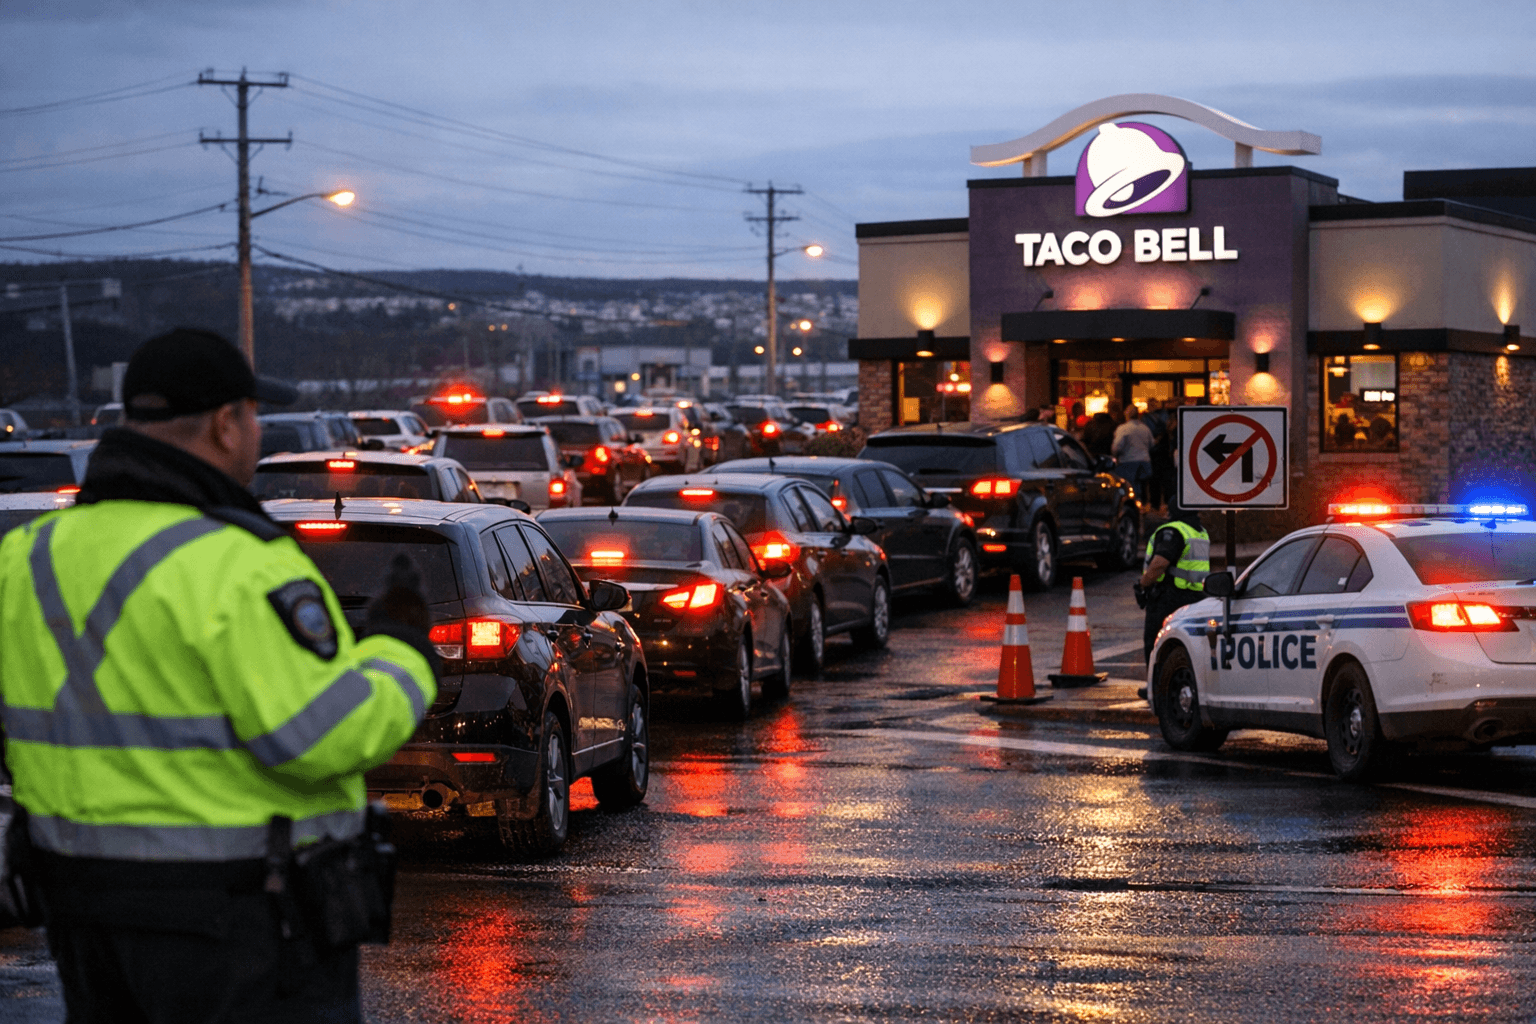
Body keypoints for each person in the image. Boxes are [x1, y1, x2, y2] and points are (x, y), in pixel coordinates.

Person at [0, 329, 437, 1023]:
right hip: (237, 926)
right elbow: (318, 736)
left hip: (80, 913)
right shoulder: (238, 564)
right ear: (227, 422)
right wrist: (401, 651)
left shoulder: (26, 557)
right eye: (254, 416)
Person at [1136, 497, 1210, 662]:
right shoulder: (1199, 532)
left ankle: (1155, 686)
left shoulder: (1173, 531)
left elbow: (1159, 564)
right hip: (1196, 599)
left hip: (1169, 598)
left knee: (1156, 644)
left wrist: (1142, 584)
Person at [1112, 405, 1154, 504]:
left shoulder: (1123, 429)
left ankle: (1132, 505)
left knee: (1129, 487)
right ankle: (1143, 505)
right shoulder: (1145, 428)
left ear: (1126, 415)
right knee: (1143, 486)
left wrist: (1116, 455)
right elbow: (1152, 443)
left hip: (1127, 462)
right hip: (1144, 461)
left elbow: (1117, 447)